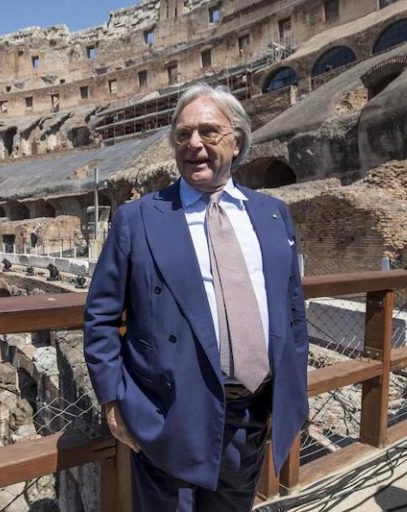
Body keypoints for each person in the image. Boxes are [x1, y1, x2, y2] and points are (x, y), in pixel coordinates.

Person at [83, 83, 308, 511]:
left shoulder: (273, 213)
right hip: (169, 414)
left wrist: (290, 395)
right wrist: (113, 401)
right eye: (182, 135)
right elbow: (100, 316)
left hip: (249, 415)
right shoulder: (138, 218)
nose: (194, 144)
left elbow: (292, 313)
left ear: (237, 139)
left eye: (208, 131)